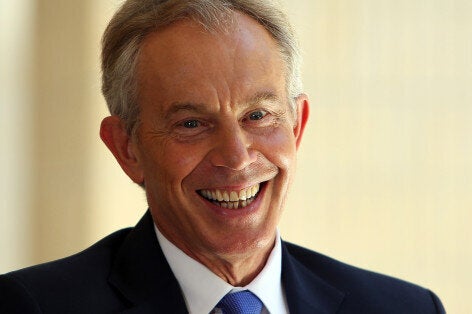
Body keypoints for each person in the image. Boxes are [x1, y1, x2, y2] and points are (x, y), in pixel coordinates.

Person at [0, 0, 445, 313]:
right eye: (191, 124)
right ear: (126, 148)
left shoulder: (405, 307)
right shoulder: (32, 306)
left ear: (297, 126)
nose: (235, 157)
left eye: (257, 115)